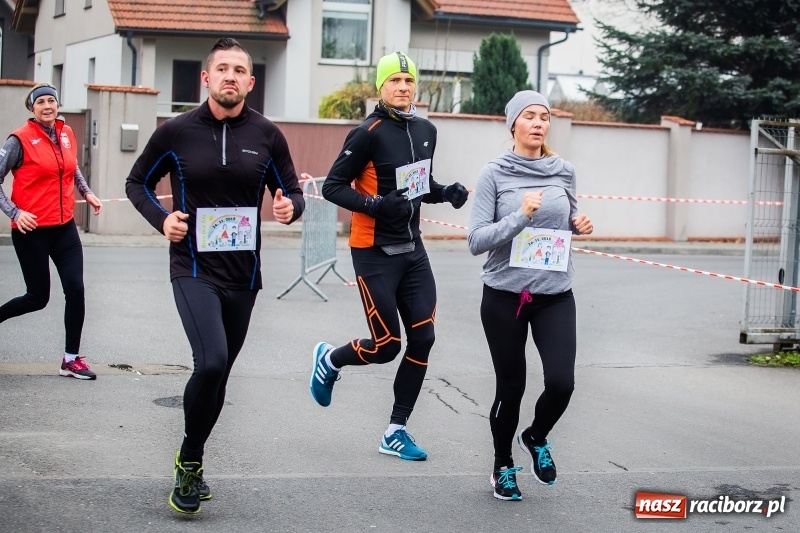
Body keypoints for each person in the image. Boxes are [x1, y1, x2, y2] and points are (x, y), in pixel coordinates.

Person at [125, 37, 305, 515]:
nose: (230, 75)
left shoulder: (268, 135)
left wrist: (290, 207)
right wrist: (161, 219)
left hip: (244, 276)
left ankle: (193, 458)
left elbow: (292, 191)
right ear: (205, 78)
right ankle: (189, 459)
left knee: (219, 372)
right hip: (193, 267)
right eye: (221, 68)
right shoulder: (177, 131)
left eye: (238, 69)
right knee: (210, 362)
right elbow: (136, 182)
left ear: (250, 81)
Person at [309, 51, 469, 461]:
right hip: (373, 252)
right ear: (380, 87)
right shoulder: (368, 132)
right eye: (394, 81)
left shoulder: (428, 129)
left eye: (408, 81)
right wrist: (379, 205)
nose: (402, 87)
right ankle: (330, 359)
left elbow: (418, 183)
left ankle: (395, 430)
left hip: (413, 252)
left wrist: (444, 192)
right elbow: (332, 188)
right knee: (386, 345)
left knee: (424, 337)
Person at [467, 90, 593, 501]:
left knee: (562, 382)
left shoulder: (564, 171)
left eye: (545, 116)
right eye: (530, 116)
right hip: (505, 294)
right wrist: (520, 216)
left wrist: (579, 223)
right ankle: (502, 464)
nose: (539, 123)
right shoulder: (494, 174)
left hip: (555, 293)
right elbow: (476, 240)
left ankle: (536, 436)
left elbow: (565, 220)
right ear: (513, 124)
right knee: (512, 388)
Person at [0, 82, 103, 380]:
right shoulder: (18, 140)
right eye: (41, 102)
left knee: (76, 288)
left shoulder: (65, 132)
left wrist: (88, 192)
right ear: (32, 108)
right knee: (37, 298)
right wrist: (16, 213)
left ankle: (70, 360)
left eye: (51, 101)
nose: (47, 106)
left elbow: (71, 169)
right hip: (31, 231)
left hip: (64, 230)